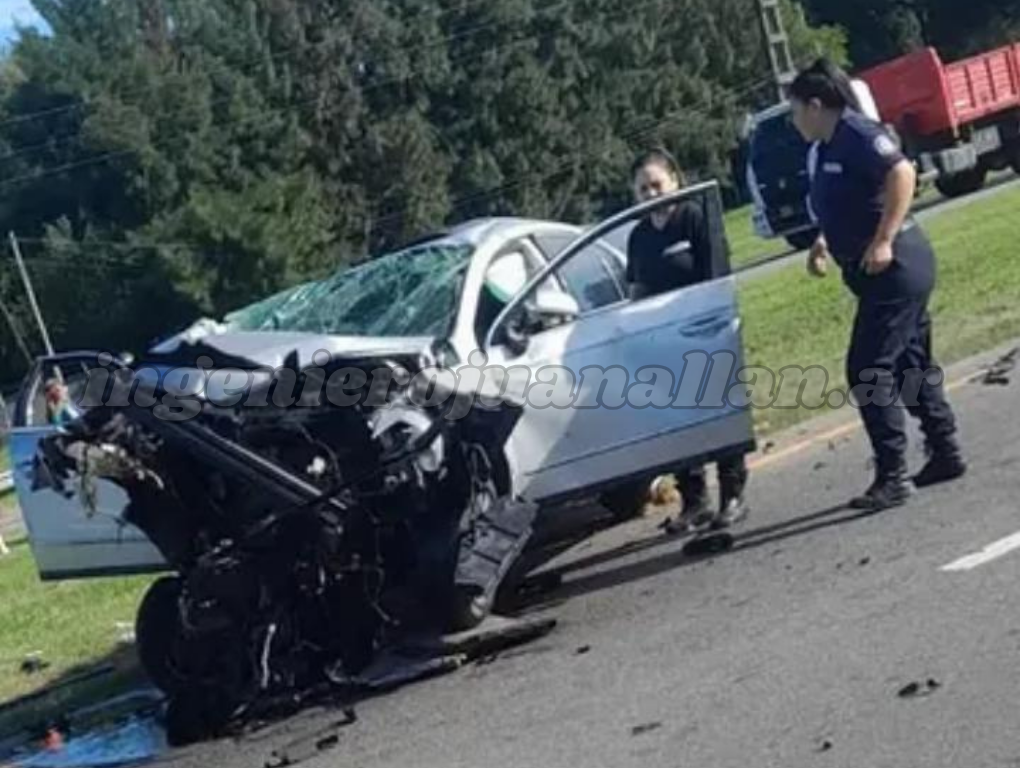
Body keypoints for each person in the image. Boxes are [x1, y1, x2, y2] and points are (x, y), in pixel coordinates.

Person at [788, 58, 967, 511]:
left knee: (867, 367)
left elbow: (902, 173)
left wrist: (884, 239)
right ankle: (945, 450)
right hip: (877, 273)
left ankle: (892, 475)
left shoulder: (857, 133)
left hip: (898, 267)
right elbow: (851, 199)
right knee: (909, 363)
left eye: (795, 111)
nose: (794, 121)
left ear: (815, 106)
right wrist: (824, 240)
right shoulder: (828, 145)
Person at [626, 147, 750, 532]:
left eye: (656, 185)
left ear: (675, 182)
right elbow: (636, 290)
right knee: (679, 422)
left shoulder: (694, 218)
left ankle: (733, 496)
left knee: (720, 413)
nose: (651, 194)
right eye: (643, 189)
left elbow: (716, 275)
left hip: (706, 332)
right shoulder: (639, 236)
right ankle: (695, 502)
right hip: (664, 342)